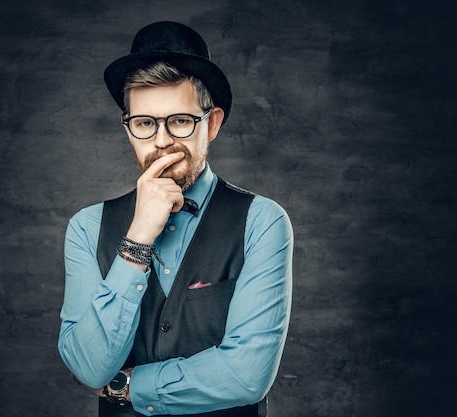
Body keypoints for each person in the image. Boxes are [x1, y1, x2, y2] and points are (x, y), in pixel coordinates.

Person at [58, 21, 293, 417]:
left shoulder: (262, 221)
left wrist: (125, 386)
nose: (162, 140)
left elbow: (247, 376)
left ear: (212, 124)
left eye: (180, 120)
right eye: (145, 123)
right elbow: (86, 366)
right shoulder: (87, 227)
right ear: (129, 128)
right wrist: (138, 239)